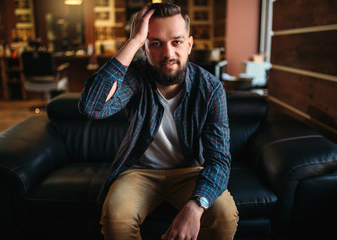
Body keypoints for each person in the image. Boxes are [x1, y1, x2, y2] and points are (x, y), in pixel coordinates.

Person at [78, 3, 239, 240]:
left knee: (224, 218)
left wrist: (196, 206)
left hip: (190, 171)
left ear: (189, 44)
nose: (168, 54)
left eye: (176, 41)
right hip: (139, 172)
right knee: (116, 220)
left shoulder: (210, 88)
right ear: (145, 47)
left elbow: (219, 159)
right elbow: (92, 107)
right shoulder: (136, 77)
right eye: (155, 43)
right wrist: (133, 42)